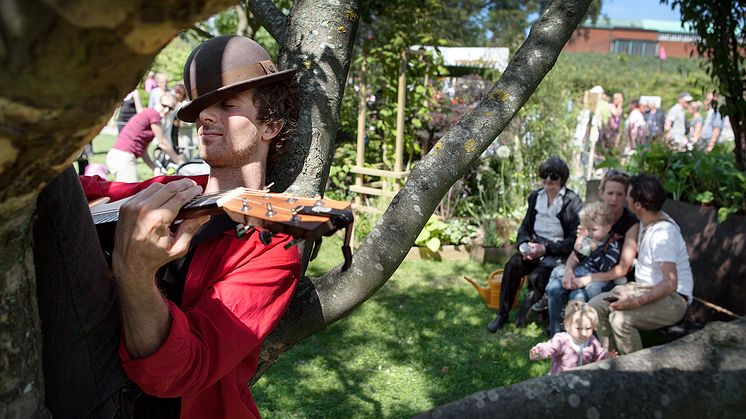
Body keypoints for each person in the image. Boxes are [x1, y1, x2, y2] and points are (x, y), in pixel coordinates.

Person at [34, 35, 301, 418]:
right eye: (203, 108)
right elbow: (89, 190)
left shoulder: (271, 247)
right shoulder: (176, 189)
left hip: (140, 403)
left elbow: (179, 372)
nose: (207, 116)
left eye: (227, 105)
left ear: (270, 125)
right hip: (79, 357)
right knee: (46, 171)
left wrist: (136, 275)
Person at [589, 174, 693, 355]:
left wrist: (634, 301)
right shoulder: (647, 219)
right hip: (644, 288)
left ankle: (634, 372)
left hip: (673, 299)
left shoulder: (663, 234)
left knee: (620, 320)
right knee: (596, 306)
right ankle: (611, 360)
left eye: (627, 195)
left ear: (638, 205)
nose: (625, 198)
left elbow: (670, 283)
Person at [486, 156, 582, 332]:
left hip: (555, 252)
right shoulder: (535, 197)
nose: (548, 180)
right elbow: (524, 228)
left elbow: (573, 240)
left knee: (538, 277)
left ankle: (544, 314)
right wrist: (524, 246)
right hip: (533, 247)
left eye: (553, 176)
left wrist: (545, 249)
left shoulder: (572, 201)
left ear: (562, 178)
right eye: (544, 175)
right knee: (512, 265)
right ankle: (502, 314)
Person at [542, 202, 621, 336]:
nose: (590, 233)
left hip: (598, 279)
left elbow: (606, 267)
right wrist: (571, 273)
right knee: (554, 287)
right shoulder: (590, 238)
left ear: (607, 228)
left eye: (593, 230)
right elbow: (578, 254)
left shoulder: (613, 245)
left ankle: (577, 336)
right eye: (588, 229)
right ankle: (556, 333)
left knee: (577, 296)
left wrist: (596, 250)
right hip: (582, 271)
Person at [106, 92, 185, 181]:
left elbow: (143, 151)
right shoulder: (154, 114)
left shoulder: (149, 113)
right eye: (164, 106)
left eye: (170, 108)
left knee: (132, 191)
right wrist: (180, 162)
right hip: (123, 158)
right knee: (132, 194)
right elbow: (163, 143)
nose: (166, 110)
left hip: (119, 157)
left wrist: (154, 167)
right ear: (159, 102)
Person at [530, 301, 612, 374]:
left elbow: (598, 356)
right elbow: (549, 347)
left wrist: (607, 357)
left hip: (583, 380)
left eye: (588, 328)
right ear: (568, 326)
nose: (583, 333)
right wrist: (539, 351)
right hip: (559, 380)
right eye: (578, 328)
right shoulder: (562, 340)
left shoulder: (592, 342)